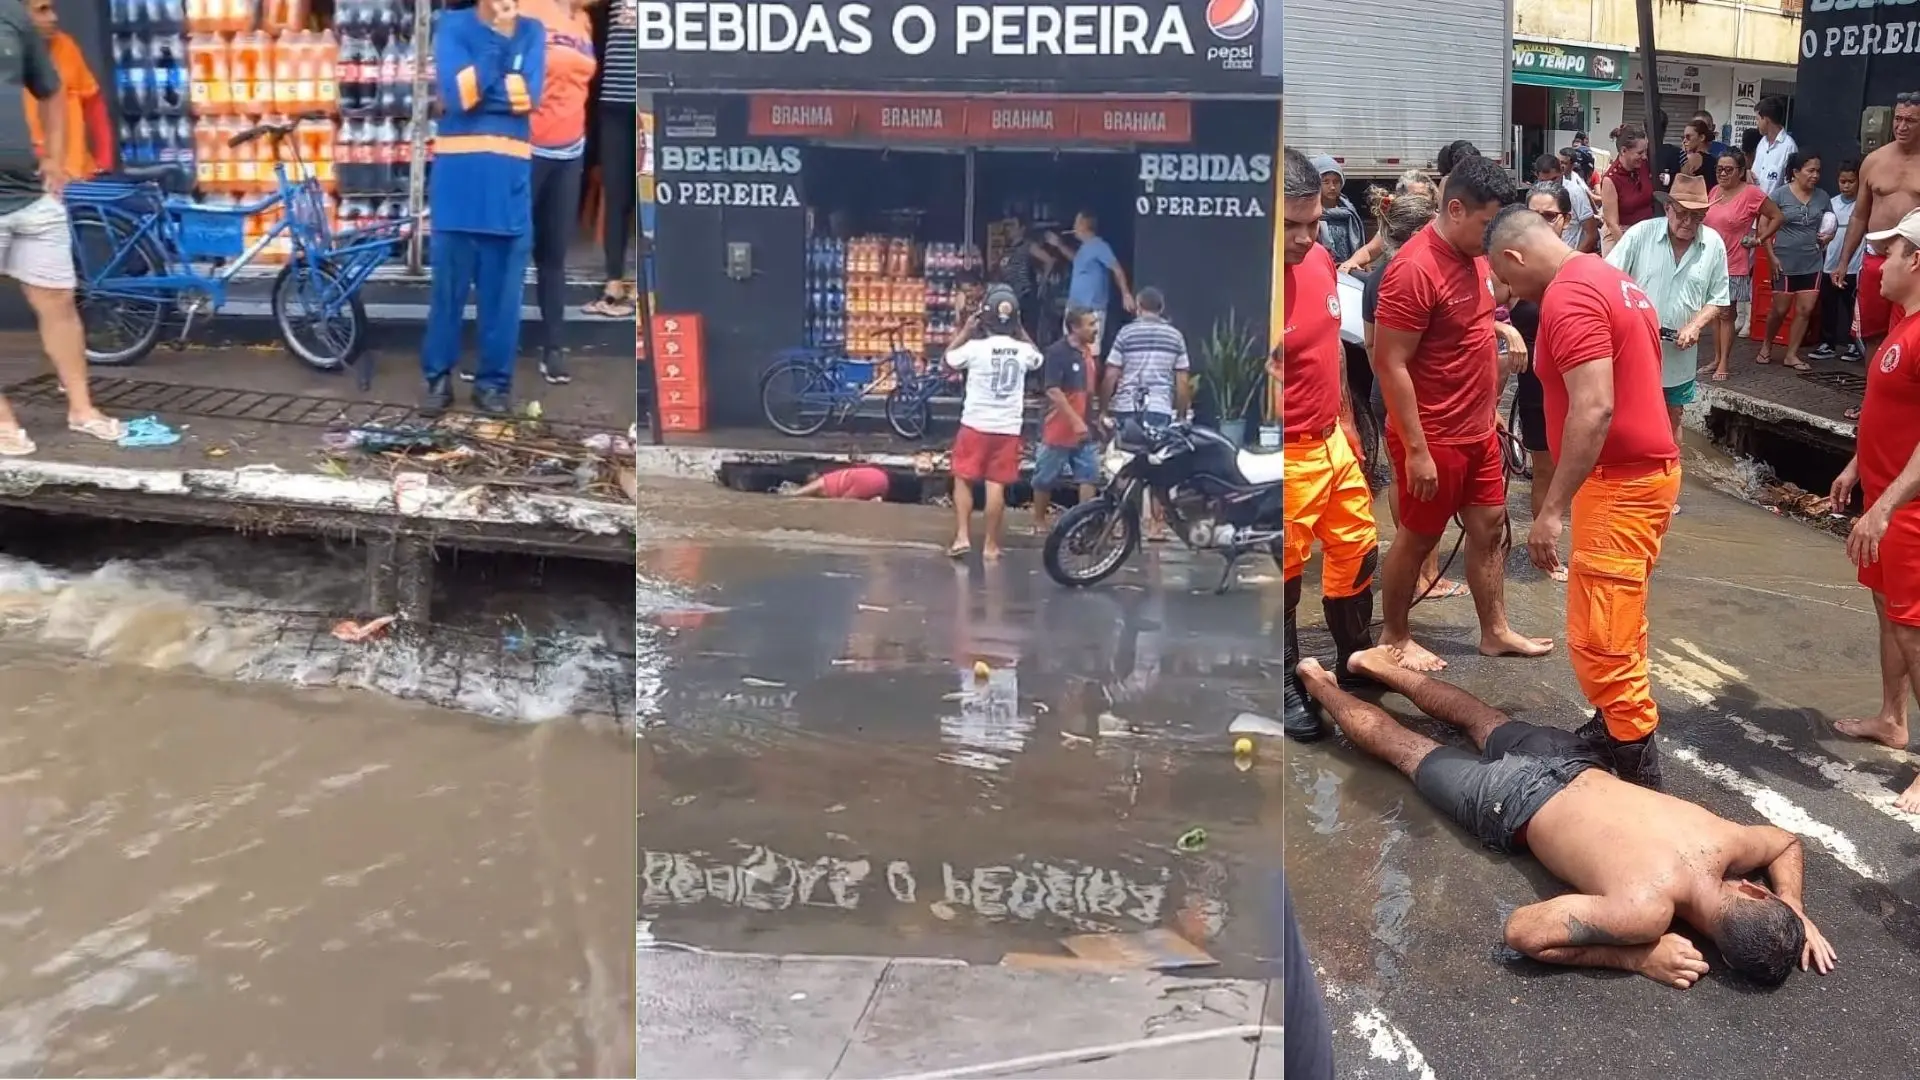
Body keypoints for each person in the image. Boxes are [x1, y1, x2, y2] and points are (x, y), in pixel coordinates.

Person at [1293, 647, 1836, 988]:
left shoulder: (1725, 842)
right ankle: (1320, 680)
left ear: (1754, 893)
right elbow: (1522, 932)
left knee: (1475, 717)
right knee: (1408, 750)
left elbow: (1784, 842)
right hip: (1521, 795)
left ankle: (1370, 665)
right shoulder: (1643, 914)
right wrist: (1636, 959)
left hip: (1555, 768)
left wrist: (1792, 905)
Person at [1484, 203, 1682, 786]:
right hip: (1642, 477)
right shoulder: (1614, 280)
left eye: (1505, 276)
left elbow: (1594, 408)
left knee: (1603, 636)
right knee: (1621, 616)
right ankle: (1611, 724)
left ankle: (1637, 768)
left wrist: (1550, 510)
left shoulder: (1570, 297)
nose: (1509, 291)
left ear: (1516, 255)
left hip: (1620, 485)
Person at [1372, 154, 1549, 672]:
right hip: (1433, 435)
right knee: (1419, 536)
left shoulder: (1475, 257)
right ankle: (1394, 634)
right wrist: (1417, 451)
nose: (1493, 236)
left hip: (1478, 430)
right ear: (1454, 209)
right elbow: (1390, 363)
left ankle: (1495, 631)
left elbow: (1468, 332)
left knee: (1490, 526)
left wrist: (1490, 408)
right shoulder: (1414, 269)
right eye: (1486, 223)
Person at [1279, 147, 1379, 742]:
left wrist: (1346, 419)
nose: (1304, 236)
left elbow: (1332, 345)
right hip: (1281, 453)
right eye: (1289, 226)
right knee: (1282, 574)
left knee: (1358, 549)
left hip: (1331, 440)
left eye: (1313, 221)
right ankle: (1282, 681)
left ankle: (1353, 658)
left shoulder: (1319, 259)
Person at [1828, 208, 1920, 815]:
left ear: (1917, 260)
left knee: (1914, 628)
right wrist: (1857, 468)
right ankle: (1892, 719)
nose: (1878, 264)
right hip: (1884, 498)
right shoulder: (1902, 325)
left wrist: (1885, 507)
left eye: (1890, 253)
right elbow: (1892, 414)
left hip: (1908, 510)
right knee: (1889, 613)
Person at [0, 0, 122, 456]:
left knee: (59, 301)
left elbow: (51, 88)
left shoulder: (11, 16)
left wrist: (54, 158)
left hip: (30, 193)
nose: (51, 14)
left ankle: (82, 409)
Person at [421, 0, 546, 415]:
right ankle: (438, 379)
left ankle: (493, 385)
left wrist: (480, 85)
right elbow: (460, 96)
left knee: (503, 303)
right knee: (446, 298)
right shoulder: (452, 27)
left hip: (508, 192)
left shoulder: (533, 31)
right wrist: (499, 44)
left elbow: (529, 96)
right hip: (457, 191)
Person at [1361, 176, 1458, 599]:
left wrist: (1386, 383)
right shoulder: (1419, 274)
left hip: (1385, 393)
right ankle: (1426, 574)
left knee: (1402, 480)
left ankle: (1418, 571)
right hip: (1419, 397)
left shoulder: (1375, 277)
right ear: (1420, 232)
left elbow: (1371, 346)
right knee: (1425, 485)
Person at [1604, 173, 1729, 455]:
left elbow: (1719, 298)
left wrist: (1696, 325)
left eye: (1697, 217)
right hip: (1634, 347)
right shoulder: (1641, 234)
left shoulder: (1713, 244)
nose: (1688, 223)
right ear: (1668, 208)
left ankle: (1669, 473)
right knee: (1626, 412)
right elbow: (1608, 278)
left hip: (1679, 351)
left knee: (1673, 414)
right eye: (1682, 214)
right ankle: (1628, 469)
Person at [520, 0, 596, 386]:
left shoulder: (583, 20)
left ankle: (554, 348)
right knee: (509, 252)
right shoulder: (528, 9)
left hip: (570, 153)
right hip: (527, 149)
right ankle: (491, 350)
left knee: (554, 255)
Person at [1834, 93, 1920, 418]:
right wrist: (1844, 260)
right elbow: (1859, 215)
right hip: (1875, 259)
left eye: (1910, 120)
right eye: (1898, 119)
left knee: (1909, 333)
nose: (1902, 126)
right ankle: (1872, 400)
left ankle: (1903, 405)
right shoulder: (1874, 160)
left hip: (1913, 264)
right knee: (1872, 335)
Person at [944, 286, 1043, 562]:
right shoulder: (1023, 351)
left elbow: (949, 359)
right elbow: (1038, 358)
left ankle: (962, 536)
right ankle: (990, 545)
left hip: (975, 424)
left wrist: (965, 331)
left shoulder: (975, 349)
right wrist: (1020, 330)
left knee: (963, 478)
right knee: (996, 484)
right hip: (1007, 428)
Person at [1512, 182, 1571, 580]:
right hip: (1535, 388)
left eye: (1549, 216)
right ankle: (1546, 555)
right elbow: (1478, 316)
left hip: (1576, 385)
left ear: (1566, 219)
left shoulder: (1578, 265)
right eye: (1533, 215)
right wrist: (1506, 331)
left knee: (1584, 470)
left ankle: (1585, 545)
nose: (1541, 223)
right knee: (1545, 470)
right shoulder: (1513, 267)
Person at [1101, 286, 1189, 541]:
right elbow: (1183, 381)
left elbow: (1111, 374)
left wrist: (1104, 408)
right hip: (1160, 408)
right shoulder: (1175, 336)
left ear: (1138, 307)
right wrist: (1181, 415)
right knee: (1157, 465)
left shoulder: (1126, 333)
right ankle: (1155, 526)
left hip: (1127, 407)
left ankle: (1119, 524)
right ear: (1162, 309)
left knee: (1123, 464)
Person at [1703, 148, 1782, 381]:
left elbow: (1777, 216)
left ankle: (1724, 363)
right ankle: (1716, 358)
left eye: (1728, 170)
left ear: (1740, 172)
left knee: (1727, 313)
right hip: (1711, 262)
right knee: (1713, 313)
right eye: (1719, 169)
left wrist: (1759, 239)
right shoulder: (1714, 191)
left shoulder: (1751, 193)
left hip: (1734, 262)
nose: (1722, 174)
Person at [583, 0, 637, 318]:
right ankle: (614, 282)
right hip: (615, 101)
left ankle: (650, 284)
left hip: (657, 97)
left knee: (654, 196)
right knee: (617, 195)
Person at [1758, 152, 1830, 371]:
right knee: (1780, 309)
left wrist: (1828, 237)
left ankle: (1791, 354)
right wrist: (1771, 256)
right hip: (1784, 260)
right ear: (1796, 172)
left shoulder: (1823, 197)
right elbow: (1763, 225)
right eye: (1810, 170)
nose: (1815, 175)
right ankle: (1766, 345)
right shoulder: (1779, 195)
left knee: (1805, 310)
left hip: (1812, 261)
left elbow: (1830, 223)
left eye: (1818, 171)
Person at [23, 0, 108, 182]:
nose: (54, 18)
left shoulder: (65, 45)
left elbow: (93, 102)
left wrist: (104, 161)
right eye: (42, 10)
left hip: (80, 176)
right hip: (33, 180)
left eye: (52, 9)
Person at [1030, 306, 1100, 530]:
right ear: (1074, 328)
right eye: (1090, 324)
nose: (1096, 329)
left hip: (1085, 427)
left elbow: (1089, 391)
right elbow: (1053, 390)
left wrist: (1094, 417)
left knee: (1089, 475)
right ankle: (1039, 521)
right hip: (1058, 427)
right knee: (1045, 477)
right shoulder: (1057, 352)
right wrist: (1075, 420)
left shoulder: (1088, 353)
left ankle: (1085, 522)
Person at [1049, 211, 1133, 353]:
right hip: (1074, 308)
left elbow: (1117, 269)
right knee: (1070, 347)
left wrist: (1126, 294)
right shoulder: (1084, 247)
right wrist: (1058, 244)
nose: (1073, 226)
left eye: (1076, 222)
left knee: (1091, 350)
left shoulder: (1100, 246)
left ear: (1084, 224)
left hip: (1092, 309)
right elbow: (1076, 260)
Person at [1812, 159, 1866, 363]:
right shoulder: (1832, 203)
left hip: (1854, 265)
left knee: (1852, 306)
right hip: (1830, 263)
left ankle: (1854, 344)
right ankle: (1828, 343)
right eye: (1843, 181)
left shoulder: (1863, 205)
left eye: (1851, 181)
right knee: (1829, 304)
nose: (1846, 186)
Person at [1599, 124, 1655, 253]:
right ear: (1623, 151)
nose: (1644, 156)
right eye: (1640, 153)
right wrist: (1629, 250)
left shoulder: (1643, 165)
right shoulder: (1610, 180)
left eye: (1645, 151)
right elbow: (1612, 224)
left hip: (1646, 232)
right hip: (1620, 236)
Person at [1535, 153, 1597, 253]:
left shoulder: (1575, 193)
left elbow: (1592, 234)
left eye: (1553, 179)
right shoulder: (1535, 194)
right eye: (1543, 181)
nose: (1549, 185)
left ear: (1561, 172)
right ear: (1537, 176)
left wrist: (1573, 258)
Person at [1311, 154, 1366, 266]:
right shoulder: (1310, 214)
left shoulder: (1349, 211)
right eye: (1326, 182)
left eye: (1336, 182)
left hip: (1349, 268)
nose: (1332, 187)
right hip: (1321, 267)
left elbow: (1360, 244)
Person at [1750, 95, 1798, 194]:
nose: (1757, 124)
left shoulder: (1789, 147)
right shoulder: (1762, 143)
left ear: (1766, 120)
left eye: (1758, 119)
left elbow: (1790, 186)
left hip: (1773, 203)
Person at [784, 465, 889, 501]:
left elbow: (796, 494)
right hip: (882, 478)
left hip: (864, 482)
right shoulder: (833, 477)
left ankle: (874, 499)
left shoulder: (823, 481)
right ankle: (875, 499)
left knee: (842, 504)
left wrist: (790, 494)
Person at [1677, 118, 1715, 182]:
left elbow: (1681, 182)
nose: (1684, 141)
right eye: (1683, 137)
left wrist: (1684, 154)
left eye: (1688, 137)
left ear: (1701, 137)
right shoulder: (1714, 160)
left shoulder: (1690, 158)